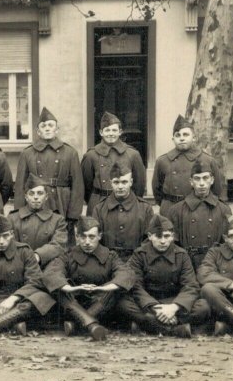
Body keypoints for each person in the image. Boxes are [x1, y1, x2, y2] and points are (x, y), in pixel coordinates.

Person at [42, 216, 135, 340]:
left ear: (99, 236)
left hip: (101, 304)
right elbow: (51, 273)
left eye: (91, 237)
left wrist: (104, 288)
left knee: (117, 290)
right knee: (58, 289)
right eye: (82, 236)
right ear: (76, 237)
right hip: (74, 304)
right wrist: (71, 289)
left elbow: (126, 273)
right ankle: (91, 325)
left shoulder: (110, 256)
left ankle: (78, 325)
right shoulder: (68, 256)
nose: (87, 242)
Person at [118, 215, 210, 338]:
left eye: (167, 236)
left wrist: (173, 308)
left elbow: (191, 286)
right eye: (158, 236)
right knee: (123, 302)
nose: (163, 241)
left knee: (203, 306)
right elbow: (136, 287)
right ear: (150, 236)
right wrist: (156, 308)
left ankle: (149, 325)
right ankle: (176, 330)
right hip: (149, 304)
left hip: (174, 301)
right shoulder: (139, 254)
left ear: (172, 236)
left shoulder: (181, 255)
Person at [15, 107, 84, 238]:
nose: (47, 128)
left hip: (62, 201)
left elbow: (77, 185)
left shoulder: (70, 152)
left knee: (62, 237)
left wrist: (74, 214)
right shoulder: (27, 153)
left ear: (57, 130)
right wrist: (19, 211)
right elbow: (20, 186)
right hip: (37, 200)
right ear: (38, 131)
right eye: (43, 125)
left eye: (51, 125)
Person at [152, 115, 223, 219]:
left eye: (185, 135)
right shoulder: (162, 161)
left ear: (194, 138)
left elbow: (216, 190)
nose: (181, 138)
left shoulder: (207, 160)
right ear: (173, 139)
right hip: (170, 209)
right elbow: (157, 190)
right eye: (178, 135)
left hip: (197, 208)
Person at [169, 159, 232, 270]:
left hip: (214, 265)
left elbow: (227, 244)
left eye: (205, 178)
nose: (201, 183)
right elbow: (173, 245)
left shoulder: (223, 210)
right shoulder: (176, 210)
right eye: (197, 179)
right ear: (191, 182)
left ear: (212, 180)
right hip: (187, 265)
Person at [81, 111, 146, 216]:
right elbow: (86, 184)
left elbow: (139, 185)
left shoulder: (133, 154)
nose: (111, 133)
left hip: (124, 203)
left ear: (120, 132)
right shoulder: (91, 155)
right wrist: (95, 198)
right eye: (107, 130)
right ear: (101, 132)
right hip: (98, 203)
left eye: (114, 130)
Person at [92, 162, 153, 261]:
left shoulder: (145, 208)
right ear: (111, 182)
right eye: (116, 182)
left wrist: (137, 260)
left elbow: (149, 240)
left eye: (124, 182)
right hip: (107, 262)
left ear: (131, 182)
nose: (120, 186)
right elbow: (95, 239)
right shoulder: (99, 209)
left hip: (136, 262)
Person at [8, 174, 68, 269]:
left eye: (40, 193)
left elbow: (58, 245)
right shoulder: (13, 218)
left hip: (46, 265)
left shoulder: (57, 220)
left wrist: (38, 256)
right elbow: (10, 244)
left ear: (46, 196)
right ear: (26, 197)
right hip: (19, 264)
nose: (35, 197)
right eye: (31, 193)